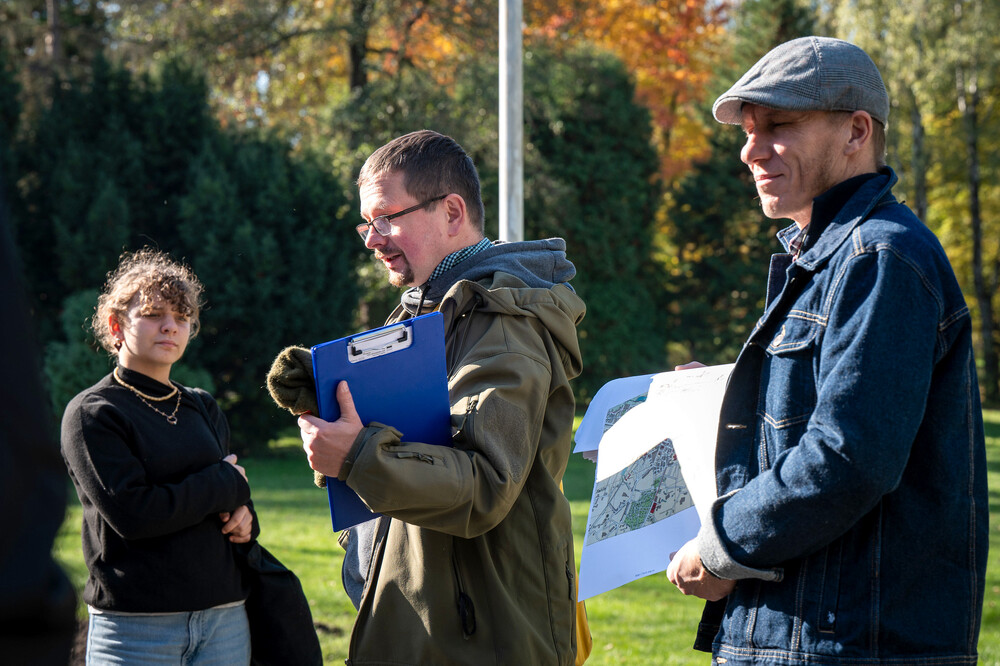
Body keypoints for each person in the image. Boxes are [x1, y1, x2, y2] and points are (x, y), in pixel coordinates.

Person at [665, 36, 989, 663]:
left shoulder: (881, 255)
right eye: (749, 131)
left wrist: (722, 546)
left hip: (848, 646)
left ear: (856, 131)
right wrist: (712, 404)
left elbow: (847, 456)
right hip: (809, 638)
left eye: (779, 125)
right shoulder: (825, 256)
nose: (750, 150)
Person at [297, 129, 586, 664]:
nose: (371, 239)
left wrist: (359, 455)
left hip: (480, 640)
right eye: (366, 222)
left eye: (386, 218)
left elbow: (484, 484)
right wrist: (331, 420)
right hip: (423, 628)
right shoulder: (420, 314)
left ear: (452, 212)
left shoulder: (501, 321)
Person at [61, 249, 258, 665]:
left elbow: (236, 503)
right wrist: (224, 484)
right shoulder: (93, 413)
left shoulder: (202, 406)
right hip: (136, 630)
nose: (171, 325)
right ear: (116, 325)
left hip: (224, 621)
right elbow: (136, 514)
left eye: (182, 316)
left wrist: (244, 517)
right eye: (154, 314)